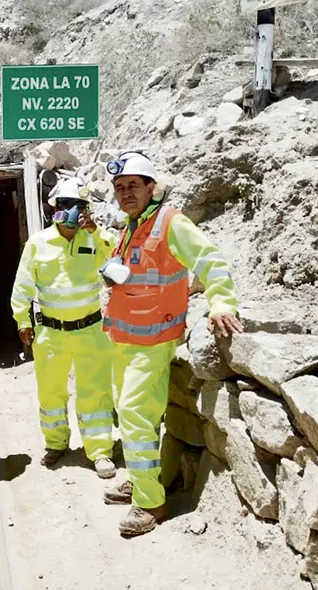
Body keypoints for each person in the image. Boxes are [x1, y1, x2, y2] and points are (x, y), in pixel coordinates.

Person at [99, 151, 242, 537]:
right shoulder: (132, 226)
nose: (125, 193)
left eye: (133, 186)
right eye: (119, 188)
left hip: (152, 342)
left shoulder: (170, 223)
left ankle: (150, 502)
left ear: (151, 187)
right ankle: (146, 478)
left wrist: (222, 302)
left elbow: (210, 259)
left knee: (135, 415)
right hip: (124, 341)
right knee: (130, 415)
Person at [10, 176, 120, 478]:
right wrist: (23, 320)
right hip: (51, 332)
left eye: (79, 205)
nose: (73, 211)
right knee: (51, 393)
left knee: (95, 393)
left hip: (90, 330)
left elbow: (118, 259)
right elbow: (22, 287)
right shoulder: (38, 243)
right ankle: (56, 444)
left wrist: (96, 233)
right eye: (67, 204)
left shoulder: (94, 239)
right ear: (54, 208)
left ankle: (99, 450)